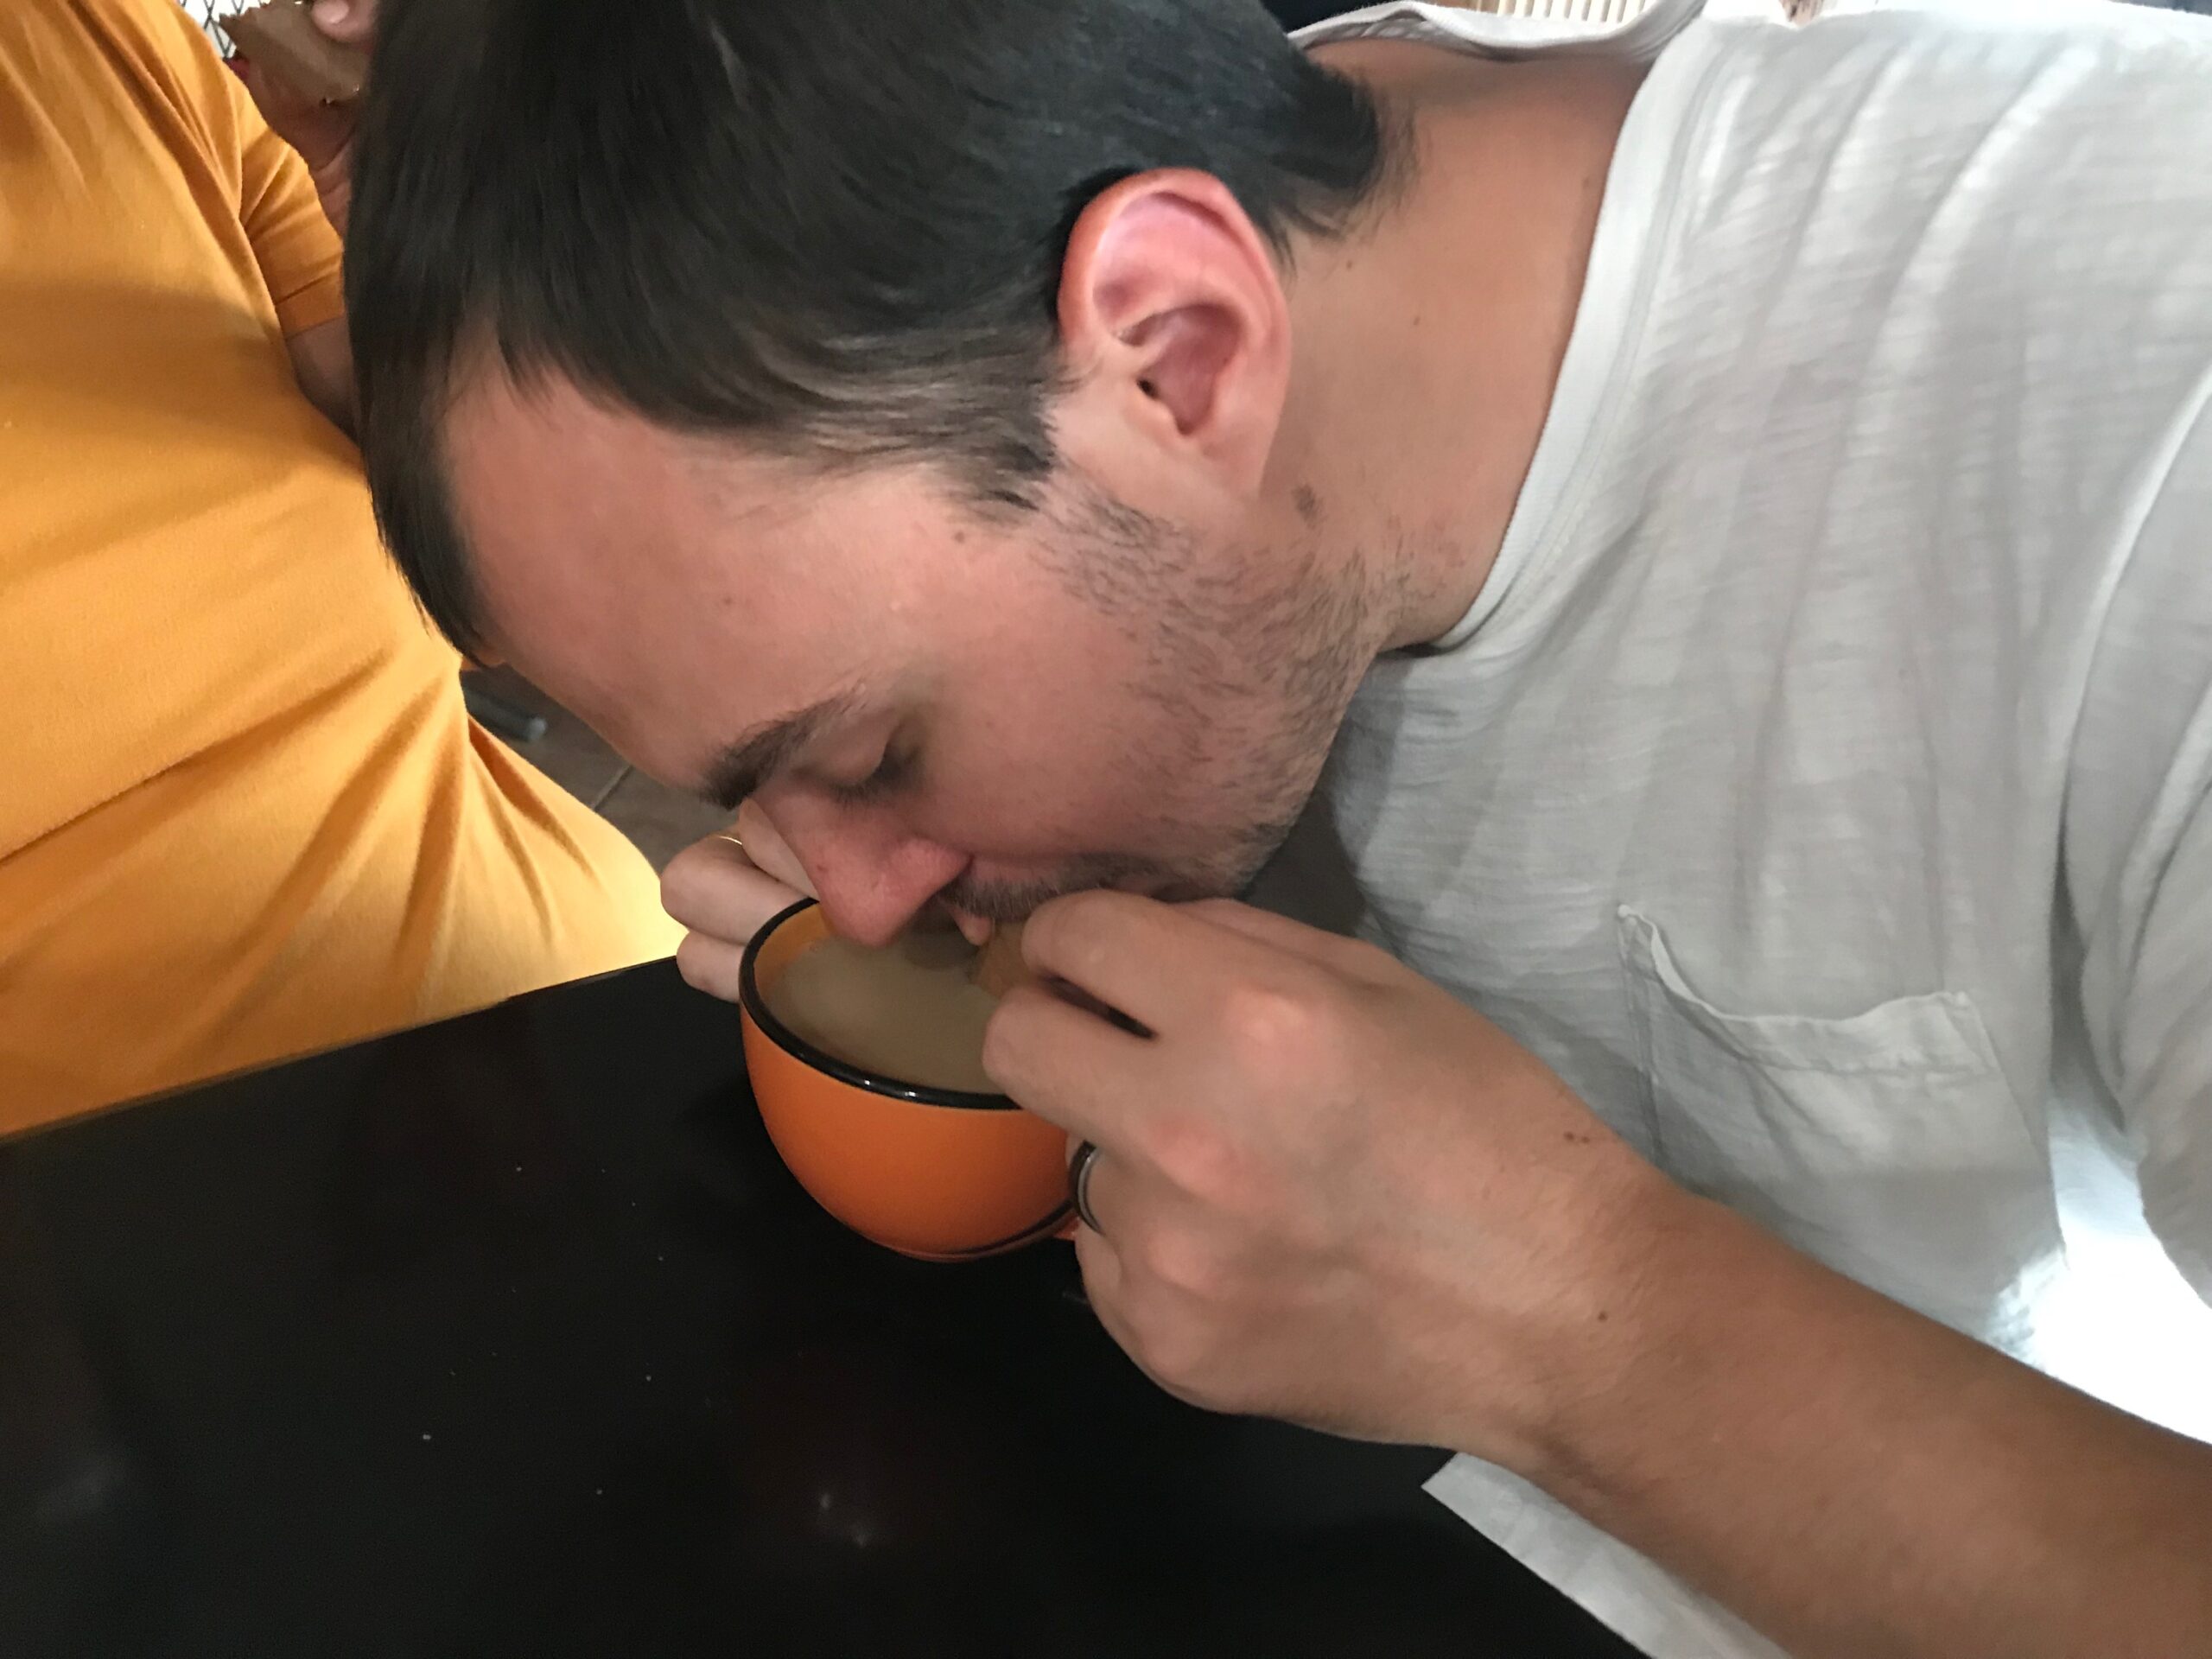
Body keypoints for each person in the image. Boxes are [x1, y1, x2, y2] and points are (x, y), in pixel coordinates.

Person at [300, 0, 2211, 1652]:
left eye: (871, 755)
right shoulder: (1087, 250)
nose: (857, 902)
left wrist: (1583, 1329)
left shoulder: (2143, 392)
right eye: (750, 788)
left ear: (1179, 352)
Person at [0, 0, 680, 1133]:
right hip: (166, 1201)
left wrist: (423, 206)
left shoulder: (103, 38)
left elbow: (515, 584)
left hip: (630, 1036)